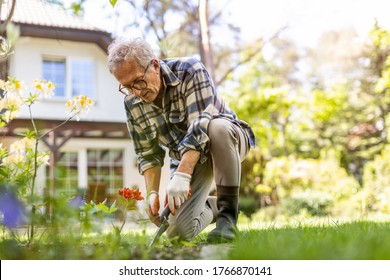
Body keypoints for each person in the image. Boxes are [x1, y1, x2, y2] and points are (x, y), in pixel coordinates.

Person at [107, 37, 255, 243]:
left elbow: (200, 125)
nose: (137, 92)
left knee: (216, 127)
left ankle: (227, 220)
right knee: (178, 233)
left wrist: (183, 175)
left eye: (139, 81)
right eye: (127, 87)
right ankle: (216, 205)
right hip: (189, 160)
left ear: (155, 66)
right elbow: (148, 154)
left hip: (226, 141)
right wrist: (152, 195)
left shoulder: (189, 69)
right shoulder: (132, 103)